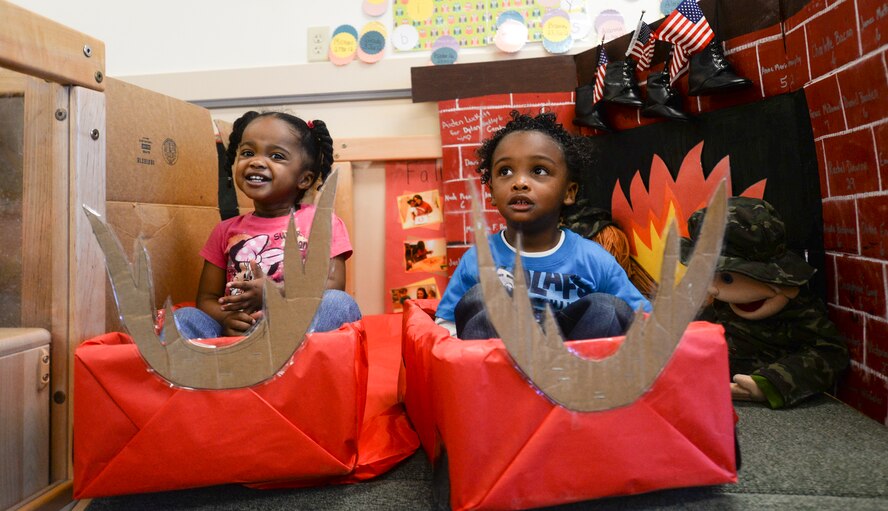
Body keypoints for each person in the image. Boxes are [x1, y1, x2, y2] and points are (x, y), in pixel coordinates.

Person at [435, 110, 651, 340]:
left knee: (608, 308)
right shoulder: (479, 259)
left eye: (539, 170)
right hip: (500, 367)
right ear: (492, 194)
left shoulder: (593, 259)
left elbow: (645, 320)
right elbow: (445, 329)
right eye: (505, 171)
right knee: (482, 297)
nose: (519, 183)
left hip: (575, 365)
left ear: (569, 192)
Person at [174, 111, 361, 338]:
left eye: (277, 156)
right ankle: (227, 364)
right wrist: (226, 319)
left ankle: (286, 359)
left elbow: (332, 285)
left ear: (304, 179)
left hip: (296, 332)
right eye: (247, 152)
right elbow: (207, 298)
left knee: (339, 303)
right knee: (183, 318)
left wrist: (278, 292)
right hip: (238, 335)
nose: (256, 161)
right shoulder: (224, 230)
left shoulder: (322, 222)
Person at [681, 197, 848, 408]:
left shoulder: (797, 313)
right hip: (711, 395)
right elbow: (697, 330)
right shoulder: (723, 305)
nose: (713, 288)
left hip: (768, 413)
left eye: (727, 278)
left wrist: (770, 383)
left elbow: (830, 353)